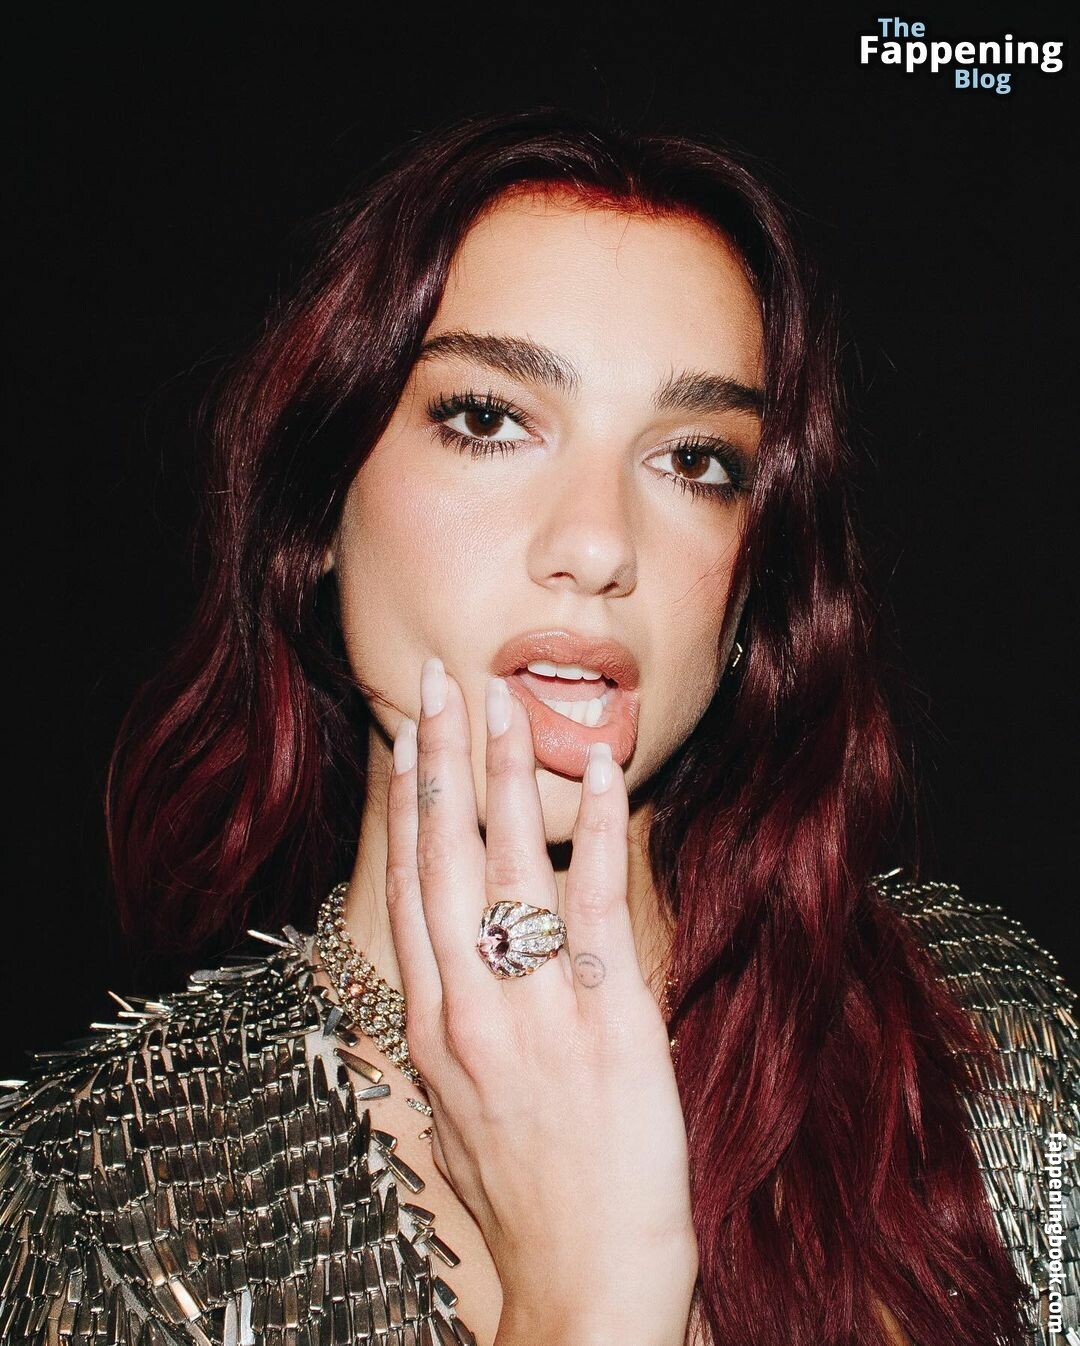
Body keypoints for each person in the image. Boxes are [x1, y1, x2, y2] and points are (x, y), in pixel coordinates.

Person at [0, 107, 1075, 1346]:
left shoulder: (976, 1035)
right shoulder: (99, 1203)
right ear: (318, 506)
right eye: (490, 417)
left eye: (695, 460)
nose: (598, 544)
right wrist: (587, 1298)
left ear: (752, 588)